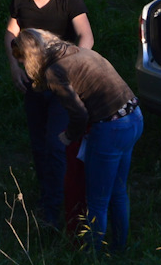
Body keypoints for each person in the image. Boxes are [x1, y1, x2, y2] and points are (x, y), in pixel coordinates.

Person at [12, 29, 143, 251]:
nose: (24, 64)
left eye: (23, 59)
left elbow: (79, 114)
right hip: (134, 117)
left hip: (110, 128)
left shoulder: (55, 71)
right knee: (118, 192)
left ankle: (93, 261)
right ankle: (120, 248)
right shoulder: (79, 52)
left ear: (30, 56)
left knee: (96, 202)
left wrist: (69, 136)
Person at [5, 0, 94, 228]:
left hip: (62, 82)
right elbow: (11, 33)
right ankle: (47, 197)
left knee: (57, 144)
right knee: (39, 144)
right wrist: (14, 68)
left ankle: (57, 209)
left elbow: (86, 36)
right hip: (33, 82)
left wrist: (72, 66)